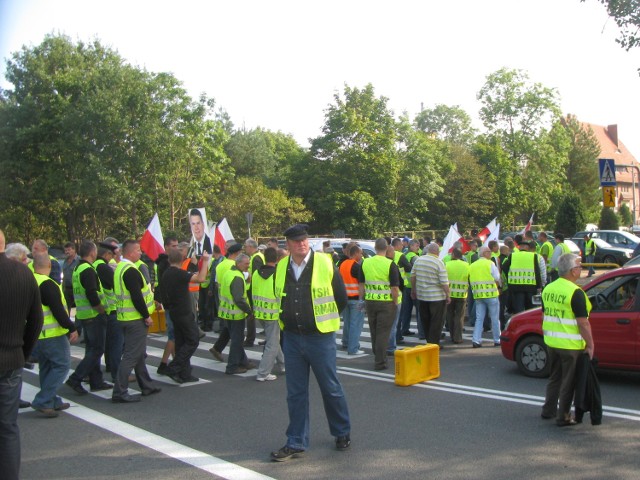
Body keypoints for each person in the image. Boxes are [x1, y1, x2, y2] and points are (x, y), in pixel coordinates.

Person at [271, 224, 350, 461]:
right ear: (288, 245)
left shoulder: (326, 263)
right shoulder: (282, 266)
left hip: (320, 337)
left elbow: (341, 298)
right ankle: (295, 442)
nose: (301, 244)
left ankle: (342, 431)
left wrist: (324, 320)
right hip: (293, 338)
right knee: (295, 393)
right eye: (296, 241)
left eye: (304, 240)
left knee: (331, 388)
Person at [0, 230, 43, 480]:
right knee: (7, 428)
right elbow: (35, 321)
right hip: (12, 358)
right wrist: (22, 352)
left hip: (13, 356)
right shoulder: (23, 273)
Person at [541, 253, 595, 426]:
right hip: (570, 344)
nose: (581, 270)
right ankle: (563, 416)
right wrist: (591, 344)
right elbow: (583, 323)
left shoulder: (548, 288)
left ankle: (548, 410)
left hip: (551, 341)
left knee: (555, 378)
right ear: (572, 271)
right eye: (579, 267)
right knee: (568, 381)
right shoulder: (575, 292)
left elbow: (545, 314)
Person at [30, 253, 78, 417]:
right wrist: (71, 327)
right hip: (53, 333)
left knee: (47, 367)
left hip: (38, 334)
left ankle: (52, 400)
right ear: (49, 266)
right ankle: (44, 400)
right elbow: (57, 310)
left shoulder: (32, 281)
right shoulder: (48, 284)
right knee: (62, 366)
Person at [112, 239, 161, 403]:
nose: (141, 253)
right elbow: (136, 296)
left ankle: (146, 385)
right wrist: (146, 316)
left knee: (138, 354)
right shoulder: (130, 270)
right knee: (131, 356)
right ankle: (120, 391)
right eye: (138, 250)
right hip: (135, 318)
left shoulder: (120, 267)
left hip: (125, 317)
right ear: (130, 252)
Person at [65, 240, 112, 394]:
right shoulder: (88, 270)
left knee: (92, 349)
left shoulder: (78, 268)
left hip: (84, 314)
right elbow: (92, 293)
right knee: (97, 349)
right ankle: (76, 378)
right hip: (94, 315)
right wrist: (101, 310)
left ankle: (96, 381)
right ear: (92, 252)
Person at [161, 247, 209, 383]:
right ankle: (174, 367)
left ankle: (184, 373)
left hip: (174, 311)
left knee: (181, 343)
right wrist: (205, 261)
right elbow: (201, 278)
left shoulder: (166, 273)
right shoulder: (179, 273)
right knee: (193, 340)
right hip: (183, 312)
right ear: (182, 260)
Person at [359, 238, 400, 370]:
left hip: (370, 301)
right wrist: (395, 301)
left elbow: (361, 284)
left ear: (375, 247)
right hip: (386, 303)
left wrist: (362, 299)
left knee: (374, 330)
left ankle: (378, 354)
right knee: (383, 332)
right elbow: (394, 288)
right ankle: (380, 362)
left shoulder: (365, 262)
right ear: (387, 247)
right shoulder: (390, 264)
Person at [219, 254, 255, 374]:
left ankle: (243, 361)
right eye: (246, 263)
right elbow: (239, 299)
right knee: (237, 340)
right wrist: (249, 311)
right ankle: (232, 366)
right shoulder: (237, 277)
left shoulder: (229, 273)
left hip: (227, 312)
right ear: (238, 263)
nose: (248, 266)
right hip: (236, 314)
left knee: (236, 339)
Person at [253, 247, 285, 381]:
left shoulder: (255, 273)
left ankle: (284, 364)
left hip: (259, 311)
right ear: (277, 259)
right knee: (272, 343)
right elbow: (281, 294)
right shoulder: (277, 274)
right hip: (273, 312)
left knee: (273, 340)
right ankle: (263, 373)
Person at [411, 243, 451, 347]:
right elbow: (444, 282)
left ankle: (429, 341)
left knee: (426, 320)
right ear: (437, 252)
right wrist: (448, 295)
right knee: (436, 321)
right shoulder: (439, 262)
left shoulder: (419, 260)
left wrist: (413, 290)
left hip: (422, 296)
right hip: (437, 298)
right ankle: (434, 344)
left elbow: (413, 276)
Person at [209, 243, 243, 362]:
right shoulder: (234, 265)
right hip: (234, 300)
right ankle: (239, 360)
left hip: (223, 299)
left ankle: (217, 348)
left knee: (229, 328)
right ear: (236, 253)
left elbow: (216, 282)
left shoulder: (220, 264)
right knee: (235, 332)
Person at [155, 236, 179, 375]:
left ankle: (174, 362)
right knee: (173, 335)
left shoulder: (163, 263)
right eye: (174, 246)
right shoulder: (165, 264)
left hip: (168, 302)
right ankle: (164, 364)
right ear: (167, 247)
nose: (176, 249)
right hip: (171, 303)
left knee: (173, 335)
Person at [470, 247, 502, 348]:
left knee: (479, 318)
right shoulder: (490, 263)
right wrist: (499, 286)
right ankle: (497, 339)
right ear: (484, 253)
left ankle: (476, 340)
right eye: (489, 252)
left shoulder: (472, 265)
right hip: (491, 294)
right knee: (494, 318)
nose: (491, 254)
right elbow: (497, 277)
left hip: (478, 295)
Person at [340, 244, 365, 355]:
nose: (361, 255)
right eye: (360, 253)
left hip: (345, 298)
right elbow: (361, 284)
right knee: (355, 324)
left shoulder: (343, 264)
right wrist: (361, 299)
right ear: (355, 253)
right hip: (355, 299)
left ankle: (346, 342)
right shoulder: (356, 266)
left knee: (347, 322)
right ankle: (353, 348)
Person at [445, 248, 469, 344]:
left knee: (449, 315)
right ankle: (458, 337)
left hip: (449, 294)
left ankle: (451, 335)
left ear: (453, 255)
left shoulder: (447, 264)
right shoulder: (466, 265)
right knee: (459, 316)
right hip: (462, 294)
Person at [244, 238, 264, 347]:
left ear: (251, 247)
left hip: (253, 290)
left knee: (251, 315)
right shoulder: (257, 256)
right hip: (254, 289)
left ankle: (250, 339)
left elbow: (257, 275)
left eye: (246, 246)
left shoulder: (256, 258)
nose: (245, 248)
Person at [61, 242, 80, 309]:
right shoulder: (65, 261)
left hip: (77, 289)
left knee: (79, 308)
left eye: (68, 250)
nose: (67, 252)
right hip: (67, 289)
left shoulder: (79, 260)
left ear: (74, 250)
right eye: (65, 250)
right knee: (66, 308)